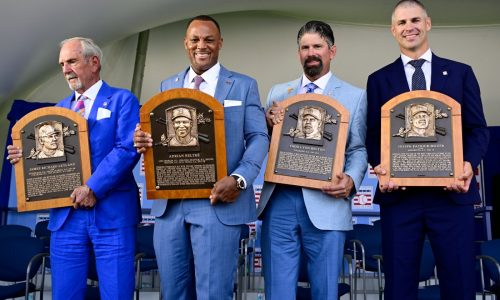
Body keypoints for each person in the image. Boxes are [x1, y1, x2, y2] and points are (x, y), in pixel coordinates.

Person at [133, 15, 269, 300]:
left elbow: (258, 137)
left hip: (217, 203)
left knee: (213, 294)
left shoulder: (243, 85)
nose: (201, 46)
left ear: (220, 43)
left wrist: (240, 178)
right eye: (195, 40)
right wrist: (145, 142)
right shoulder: (166, 85)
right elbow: (160, 138)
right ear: (186, 43)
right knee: (171, 293)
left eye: (208, 40)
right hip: (170, 206)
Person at [365, 1, 489, 299]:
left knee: (459, 281)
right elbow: (372, 135)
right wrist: (381, 165)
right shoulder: (378, 79)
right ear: (393, 31)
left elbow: (478, 130)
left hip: (451, 195)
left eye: (415, 20)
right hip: (400, 198)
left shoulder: (460, 73)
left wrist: (469, 164)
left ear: (428, 23)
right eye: (402, 23)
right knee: (399, 285)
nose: (410, 27)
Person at [7, 37, 141, 300]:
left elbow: (127, 149)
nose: (65, 69)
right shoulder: (58, 109)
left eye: (71, 61)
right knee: (65, 294)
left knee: (117, 294)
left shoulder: (122, 100)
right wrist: (25, 157)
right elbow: (48, 158)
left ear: (94, 63)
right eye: (61, 64)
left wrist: (92, 187)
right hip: (66, 215)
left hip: (112, 213)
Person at [256, 20, 367, 300]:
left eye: (317, 46)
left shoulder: (355, 96)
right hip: (279, 201)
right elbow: (261, 143)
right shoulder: (278, 93)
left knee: (325, 291)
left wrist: (352, 179)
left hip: (327, 203)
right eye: (305, 47)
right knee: (277, 292)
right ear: (298, 54)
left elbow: (358, 149)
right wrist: (266, 124)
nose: (311, 52)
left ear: (332, 51)